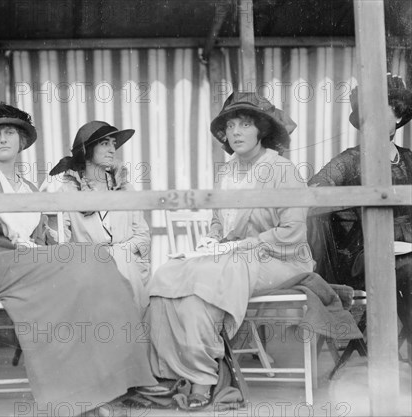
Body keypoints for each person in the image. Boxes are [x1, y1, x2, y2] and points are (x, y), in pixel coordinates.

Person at [0, 103, 157, 416]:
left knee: (95, 260)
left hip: (26, 259)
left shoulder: (32, 188)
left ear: (22, 141)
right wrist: (0, 212)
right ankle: (74, 399)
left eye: (10, 133)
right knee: (73, 272)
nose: (3, 139)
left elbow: (42, 238)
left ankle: (116, 385)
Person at [143, 92, 315, 409]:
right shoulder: (227, 171)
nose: (235, 132)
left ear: (261, 130)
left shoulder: (282, 170)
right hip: (232, 256)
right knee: (168, 273)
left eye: (245, 124)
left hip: (280, 257)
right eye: (231, 125)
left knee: (206, 281)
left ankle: (203, 378)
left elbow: (292, 232)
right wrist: (213, 238)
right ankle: (175, 372)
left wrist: (242, 244)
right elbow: (217, 221)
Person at [308, 73, 412, 347]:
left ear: (398, 117)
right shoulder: (350, 161)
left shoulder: (410, 159)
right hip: (361, 256)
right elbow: (313, 191)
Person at [49, 121, 151, 312]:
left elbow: (143, 237)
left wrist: (118, 253)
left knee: (122, 264)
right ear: (87, 151)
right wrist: (50, 221)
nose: (113, 149)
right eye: (105, 144)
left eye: (113, 144)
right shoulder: (68, 192)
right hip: (88, 269)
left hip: (128, 268)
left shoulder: (125, 188)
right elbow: (60, 242)